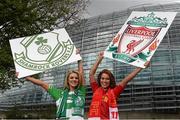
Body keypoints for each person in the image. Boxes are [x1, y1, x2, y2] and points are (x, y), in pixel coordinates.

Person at [22, 49, 86, 120]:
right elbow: (43, 84)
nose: (74, 79)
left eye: (76, 78)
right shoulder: (60, 94)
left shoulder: (81, 91)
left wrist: (79, 59)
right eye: (71, 78)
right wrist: (27, 77)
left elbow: (81, 73)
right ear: (67, 80)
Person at [88, 51, 150, 120]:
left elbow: (126, 80)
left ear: (110, 80)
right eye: (102, 78)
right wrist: (100, 58)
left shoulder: (114, 92)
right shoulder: (96, 89)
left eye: (107, 79)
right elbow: (91, 74)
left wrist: (140, 67)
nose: (104, 81)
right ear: (99, 79)